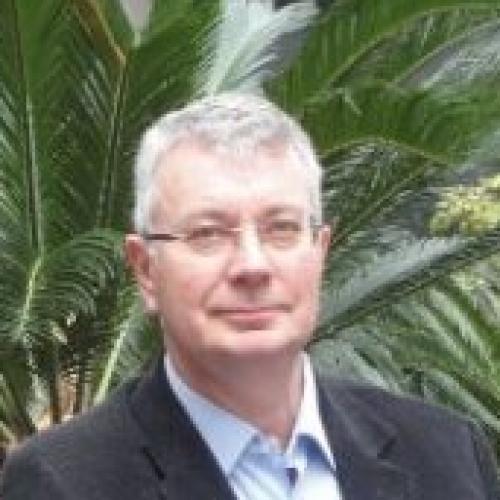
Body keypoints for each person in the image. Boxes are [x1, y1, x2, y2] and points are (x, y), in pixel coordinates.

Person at [2, 93, 499, 500]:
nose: (252, 266)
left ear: (320, 251)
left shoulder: (447, 454)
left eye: (281, 228)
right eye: (208, 234)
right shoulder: (59, 484)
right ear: (146, 270)